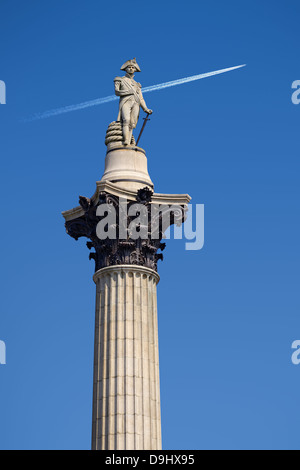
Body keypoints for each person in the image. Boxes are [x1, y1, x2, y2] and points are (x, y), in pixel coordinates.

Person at [114, 58, 153, 146]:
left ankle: (128, 141)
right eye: (129, 67)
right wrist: (129, 92)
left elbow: (141, 98)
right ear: (126, 69)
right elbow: (117, 92)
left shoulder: (137, 84)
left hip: (136, 103)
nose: (131, 69)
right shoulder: (120, 79)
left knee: (132, 124)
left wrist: (145, 109)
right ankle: (126, 140)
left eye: (133, 67)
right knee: (126, 120)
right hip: (126, 102)